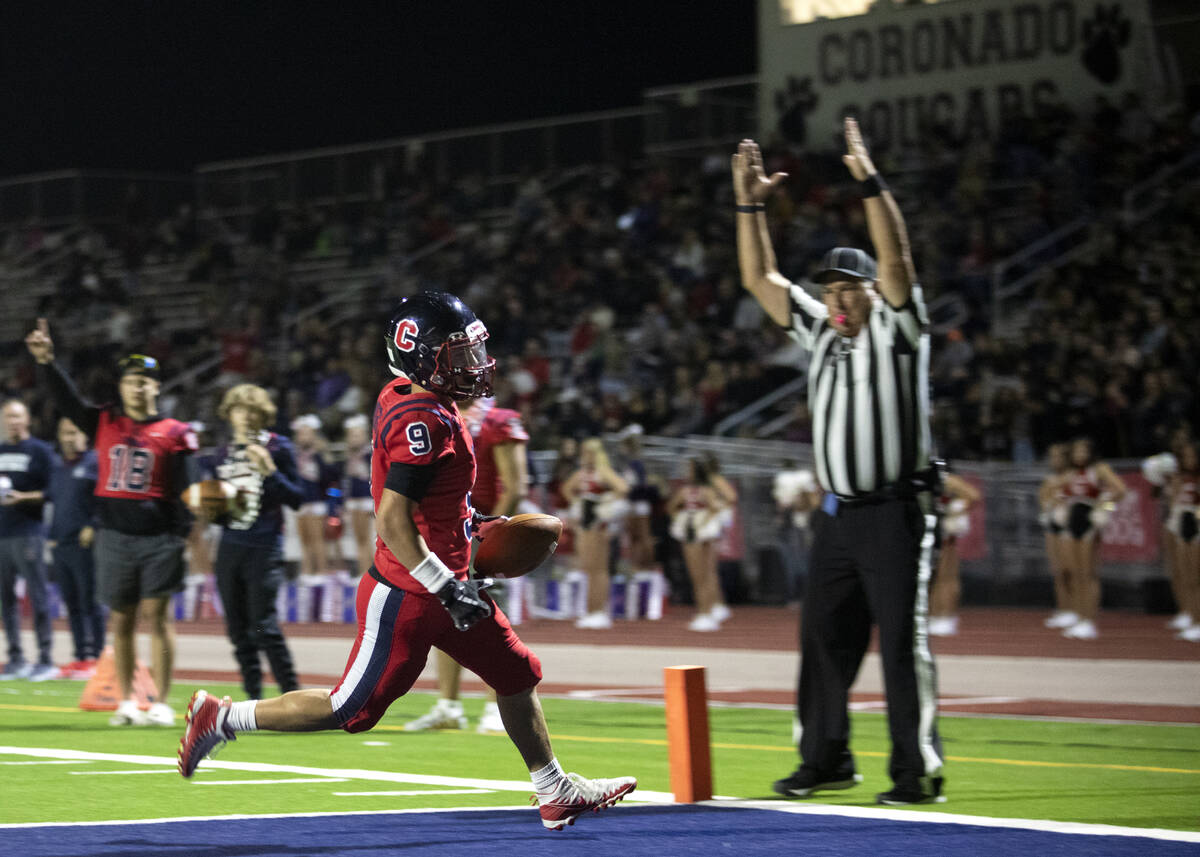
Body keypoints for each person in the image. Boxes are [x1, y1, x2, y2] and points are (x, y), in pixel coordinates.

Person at [178, 291, 636, 831]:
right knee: (350, 710)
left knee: (516, 672)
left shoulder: (414, 397)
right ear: (422, 356)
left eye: (472, 351)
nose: (473, 364)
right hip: (410, 595)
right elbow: (394, 519)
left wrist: (473, 535)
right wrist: (446, 583)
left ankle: (553, 788)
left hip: (447, 583)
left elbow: (435, 505)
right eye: (456, 353)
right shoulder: (424, 419)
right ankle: (223, 717)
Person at [733, 122, 945, 805]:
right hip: (838, 515)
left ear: (870, 290)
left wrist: (870, 183)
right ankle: (826, 758)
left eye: (850, 288)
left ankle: (917, 771)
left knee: (901, 648)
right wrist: (750, 207)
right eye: (831, 290)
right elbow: (759, 277)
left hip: (894, 508)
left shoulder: (898, 326)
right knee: (822, 638)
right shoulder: (820, 332)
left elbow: (900, 261)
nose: (839, 299)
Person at [26, 321, 198, 726]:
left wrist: (182, 534)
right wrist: (47, 363)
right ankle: (125, 700)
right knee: (120, 620)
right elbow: (67, 401)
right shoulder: (104, 421)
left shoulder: (176, 432)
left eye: (145, 381)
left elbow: (187, 490)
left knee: (157, 617)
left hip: (159, 538)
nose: (138, 387)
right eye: (131, 380)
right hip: (114, 537)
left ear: (157, 387)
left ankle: (158, 700)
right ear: (120, 386)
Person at [405, 395, 529, 734]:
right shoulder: (441, 414)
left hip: (483, 530)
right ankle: (449, 705)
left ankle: (495, 707)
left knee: (489, 620)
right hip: (452, 532)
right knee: (446, 617)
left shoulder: (499, 419)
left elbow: (515, 485)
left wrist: (489, 532)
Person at [208, 384, 305, 700]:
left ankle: (292, 697)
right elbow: (220, 513)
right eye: (239, 410)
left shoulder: (278, 447)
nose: (246, 417)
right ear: (229, 414)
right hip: (229, 546)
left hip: (265, 546)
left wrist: (270, 470)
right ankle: (253, 701)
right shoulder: (222, 453)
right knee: (237, 630)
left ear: (262, 415)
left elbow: (297, 499)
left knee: (264, 627)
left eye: (252, 411)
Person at [0, 399, 57, 681]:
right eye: (8, 416)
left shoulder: (40, 451)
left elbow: (53, 490)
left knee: (37, 596)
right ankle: (15, 659)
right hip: (2, 535)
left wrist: (23, 497)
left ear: (28, 419)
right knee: (6, 601)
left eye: (17, 416)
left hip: (28, 533)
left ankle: (45, 658)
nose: (13, 421)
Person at [46, 417, 104, 678]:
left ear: (85, 435)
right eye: (65, 433)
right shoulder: (58, 468)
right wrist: (52, 535)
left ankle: (100, 657)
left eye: (74, 432)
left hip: (86, 544)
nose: (70, 438)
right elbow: (54, 503)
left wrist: (93, 524)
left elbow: (105, 499)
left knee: (91, 601)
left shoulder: (94, 462)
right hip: (61, 544)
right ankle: (81, 656)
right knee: (72, 603)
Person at [1056, 437, 1126, 639]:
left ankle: (1090, 620)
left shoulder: (1100, 469)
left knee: (1088, 574)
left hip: (1088, 523)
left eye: (1083, 451)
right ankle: (1079, 616)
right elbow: (1054, 492)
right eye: (1076, 451)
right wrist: (1060, 504)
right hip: (1071, 522)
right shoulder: (1070, 473)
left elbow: (1120, 491)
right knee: (1074, 573)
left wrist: (1104, 507)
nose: (1080, 455)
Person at [561, 438, 628, 630]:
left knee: (599, 568)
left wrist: (604, 502)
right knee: (588, 567)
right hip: (585, 523)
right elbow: (566, 489)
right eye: (584, 453)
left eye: (590, 453)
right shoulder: (581, 473)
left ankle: (599, 611)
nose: (586, 457)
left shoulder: (603, 471)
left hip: (599, 523)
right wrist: (578, 503)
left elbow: (623, 488)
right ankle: (590, 610)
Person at [667, 458, 724, 631]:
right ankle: (706, 611)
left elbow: (715, 508)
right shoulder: (685, 491)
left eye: (690, 469)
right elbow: (671, 507)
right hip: (691, 530)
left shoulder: (705, 491)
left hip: (701, 534)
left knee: (702, 575)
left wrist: (702, 521)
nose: (687, 472)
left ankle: (706, 612)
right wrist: (682, 519)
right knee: (699, 576)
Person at [927, 470, 982, 637]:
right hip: (931, 531)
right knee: (933, 577)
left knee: (946, 576)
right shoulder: (925, 479)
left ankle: (947, 616)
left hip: (945, 532)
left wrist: (954, 509)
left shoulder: (946, 479)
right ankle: (935, 616)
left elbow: (974, 495)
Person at [1165, 442, 1200, 642]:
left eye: (1192, 456)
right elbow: (1174, 503)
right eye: (1185, 457)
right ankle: (1192, 617)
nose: (1189, 461)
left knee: (1197, 578)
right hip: (1182, 525)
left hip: (1197, 527)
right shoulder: (1180, 478)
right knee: (1186, 576)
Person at [1039, 444, 1075, 630]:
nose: (1055, 461)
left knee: (1070, 569)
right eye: (1052, 457)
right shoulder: (1050, 479)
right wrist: (1052, 495)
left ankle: (1077, 609)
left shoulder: (1074, 476)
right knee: (1058, 571)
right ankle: (1064, 609)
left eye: (1059, 456)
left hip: (1069, 525)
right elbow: (1043, 499)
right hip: (1052, 523)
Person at [291, 414, 329, 577]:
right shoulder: (294, 455)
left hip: (316, 502)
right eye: (301, 433)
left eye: (307, 433)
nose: (304, 437)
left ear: (313, 435)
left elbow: (328, 479)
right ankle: (306, 572)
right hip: (301, 502)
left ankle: (321, 572)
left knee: (317, 540)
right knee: (304, 540)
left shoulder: (319, 454)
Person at [340, 414, 375, 578]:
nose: (354, 438)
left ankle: (369, 573)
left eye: (357, 434)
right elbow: (346, 482)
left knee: (368, 540)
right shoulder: (350, 456)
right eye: (351, 435)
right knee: (359, 540)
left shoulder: (369, 453)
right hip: (354, 501)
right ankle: (363, 572)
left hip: (366, 500)